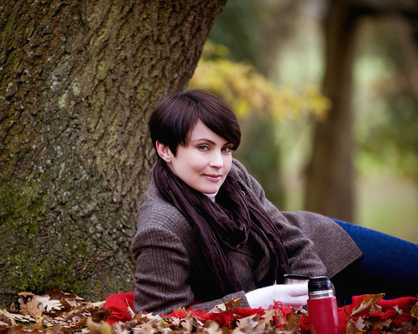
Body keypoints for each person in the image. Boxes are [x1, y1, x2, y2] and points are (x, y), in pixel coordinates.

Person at [131, 89, 418, 315]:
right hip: (275, 296)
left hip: (323, 247)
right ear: (165, 149)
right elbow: (164, 317)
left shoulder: (235, 175)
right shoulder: (161, 229)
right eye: (203, 148)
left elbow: (290, 237)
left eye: (226, 149)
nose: (218, 163)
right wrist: (257, 300)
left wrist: (317, 295)